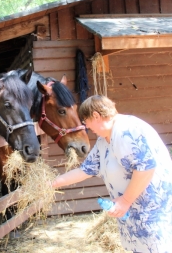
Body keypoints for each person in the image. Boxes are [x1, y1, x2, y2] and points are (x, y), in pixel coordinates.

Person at [52, 95, 172, 253]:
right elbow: (85, 170)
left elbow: (146, 168)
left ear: (96, 116)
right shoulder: (104, 139)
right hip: (132, 214)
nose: (86, 126)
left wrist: (125, 200)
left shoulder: (127, 130)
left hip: (151, 213)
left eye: (85, 121)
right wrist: (52, 184)